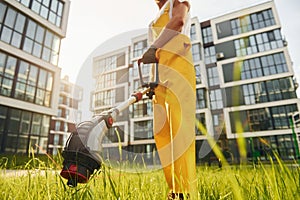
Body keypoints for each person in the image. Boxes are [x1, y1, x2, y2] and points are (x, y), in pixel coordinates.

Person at [138, 0, 197, 199]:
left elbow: (178, 21)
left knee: (180, 130)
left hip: (179, 63)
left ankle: (184, 192)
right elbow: (157, 53)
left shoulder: (177, 1)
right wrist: (151, 81)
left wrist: (153, 47)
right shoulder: (156, 16)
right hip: (161, 72)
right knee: (162, 133)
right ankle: (174, 190)